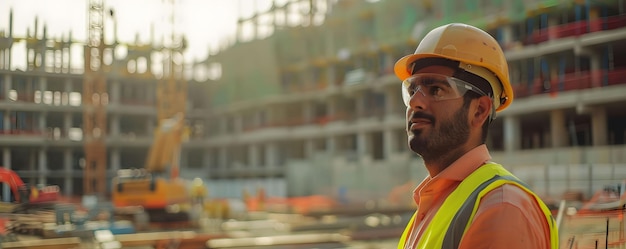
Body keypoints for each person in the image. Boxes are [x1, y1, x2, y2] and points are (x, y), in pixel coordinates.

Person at [394, 23, 559, 249]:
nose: (415, 102)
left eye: (436, 90)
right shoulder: (432, 207)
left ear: (479, 110)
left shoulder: (503, 209)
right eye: (412, 90)